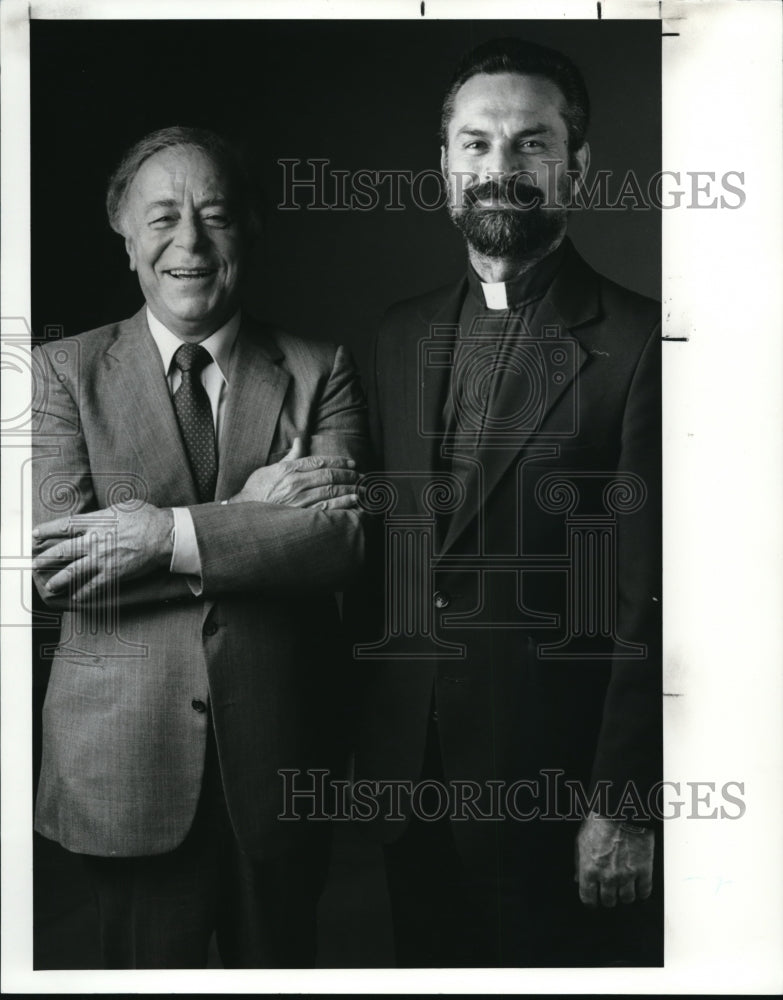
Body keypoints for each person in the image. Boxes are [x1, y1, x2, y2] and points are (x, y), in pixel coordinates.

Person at [350, 37, 662, 966]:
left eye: (530, 144)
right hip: (411, 782)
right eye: (476, 145)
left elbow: (653, 597)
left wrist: (626, 805)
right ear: (443, 164)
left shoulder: (645, 343)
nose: (500, 169)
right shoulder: (398, 333)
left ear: (578, 166)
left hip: (559, 796)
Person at [31, 126, 368, 969]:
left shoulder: (319, 367)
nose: (189, 241)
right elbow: (59, 569)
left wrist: (157, 534)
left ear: (249, 227)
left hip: (284, 754)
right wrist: (252, 519)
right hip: (125, 760)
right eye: (162, 218)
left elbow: (339, 542)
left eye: (214, 215)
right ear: (125, 235)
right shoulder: (56, 374)